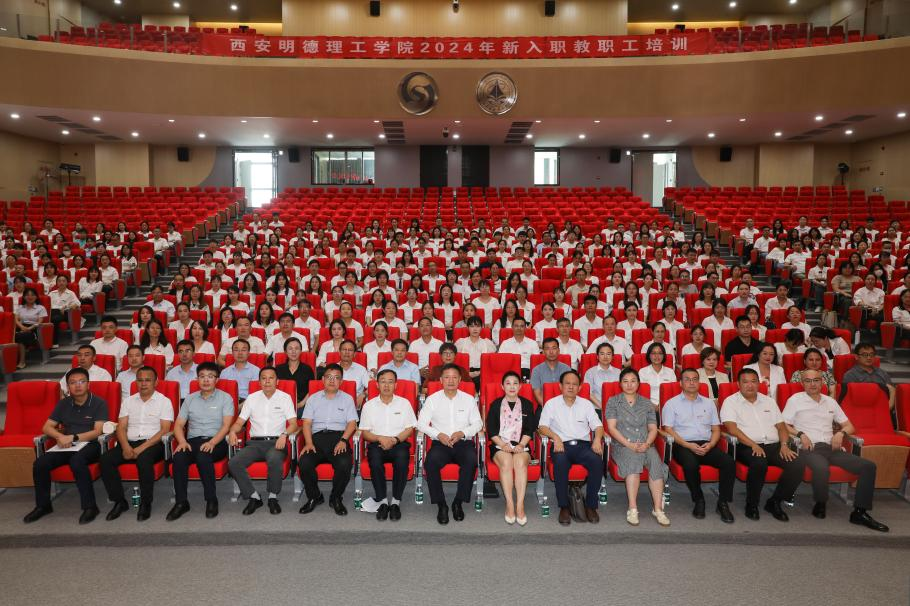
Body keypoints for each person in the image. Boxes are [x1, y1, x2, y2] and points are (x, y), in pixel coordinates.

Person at [782, 369, 888, 532]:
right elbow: (782, 425)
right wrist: (800, 434)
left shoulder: (830, 402)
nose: (812, 384)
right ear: (802, 383)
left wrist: (841, 433)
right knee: (821, 467)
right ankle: (821, 503)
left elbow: (849, 426)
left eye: (816, 380)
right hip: (809, 448)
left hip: (831, 448)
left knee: (868, 466)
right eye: (808, 381)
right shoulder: (795, 400)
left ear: (822, 382)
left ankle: (860, 512)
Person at [24, 368, 108, 524]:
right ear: (68, 387)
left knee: (77, 461)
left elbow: (98, 431)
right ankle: (43, 506)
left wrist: (74, 437)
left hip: (91, 444)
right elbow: (47, 427)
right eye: (73, 383)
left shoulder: (99, 403)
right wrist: (60, 437)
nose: (77, 385)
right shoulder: (64, 404)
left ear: (88, 384)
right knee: (40, 463)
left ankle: (90, 507)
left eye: (81, 381)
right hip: (67, 444)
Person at [720, 368, 806, 522]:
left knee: (798, 463)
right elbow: (732, 429)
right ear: (738, 384)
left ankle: (775, 501)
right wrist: (753, 444)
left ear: (759, 383)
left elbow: (781, 427)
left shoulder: (769, 401)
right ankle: (752, 504)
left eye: (754, 381)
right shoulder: (730, 402)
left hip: (774, 445)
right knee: (759, 463)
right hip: (745, 446)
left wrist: (784, 445)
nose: (750, 385)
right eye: (745, 382)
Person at [101, 366, 174, 522]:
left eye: (148, 380)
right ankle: (120, 501)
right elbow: (121, 427)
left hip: (153, 444)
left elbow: (164, 430)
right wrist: (125, 446)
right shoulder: (128, 401)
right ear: (136, 382)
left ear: (156, 382)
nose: (143, 384)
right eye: (140, 380)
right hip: (129, 441)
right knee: (106, 459)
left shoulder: (164, 401)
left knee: (144, 459)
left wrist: (141, 448)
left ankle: (146, 503)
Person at [661, 369, 735, 523]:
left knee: (729, 462)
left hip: (707, 443)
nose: (691, 382)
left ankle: (723, 502)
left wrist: (711, 444)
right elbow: (668, 429)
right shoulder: (672, 404)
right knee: (691, 465)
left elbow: (716, 429)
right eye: (687, 379)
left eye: (695, 379)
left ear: (699, 382)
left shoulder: (709, 403)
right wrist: (688, 445)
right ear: (681, 383)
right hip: (682, 444)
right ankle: (699, 499)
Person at [166, 362, 234, 521]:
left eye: (210, 376)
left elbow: (226, 426)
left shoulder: (225, 398)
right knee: (179, 457)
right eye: (202, 376)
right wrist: (182, 442)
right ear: (197, 379)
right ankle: (181, 502)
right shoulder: (189, 399)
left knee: (203, 457)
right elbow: (179, 425)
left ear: (217, 380)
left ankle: (211, 499)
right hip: (192, 441)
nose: (206, 380)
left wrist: (212, 443)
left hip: (216, 441)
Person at [603, 368, 670, 527]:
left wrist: (647, 443)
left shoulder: (646, 403)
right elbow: (611, 428)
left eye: (633, 381)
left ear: (639, 383)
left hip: (645, 443)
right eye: (625, 381)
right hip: (623, 445)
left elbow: (653, 428)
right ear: (620, 384)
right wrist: (629, 444)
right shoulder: (613, 401)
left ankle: (658, 509)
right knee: (632, 461)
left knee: (655, 462)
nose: (629, 385)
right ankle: (633, 508)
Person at [416, 364, 482, 525]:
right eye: (447, 377)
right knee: (430, 463)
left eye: (454, 377)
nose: (450, 381)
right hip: (441, 443)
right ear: (441, 380)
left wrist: (462, 433)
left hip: (463, 443)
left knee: (471, 460)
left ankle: (458, 502)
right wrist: (438, 434)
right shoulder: (432, 399)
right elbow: (421, 424)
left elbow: (478, 423)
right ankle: (441, 504)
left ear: (459, 380)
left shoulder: (468, 399)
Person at [538, 369, 605, 526]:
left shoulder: (586, 404)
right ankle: (564, 507)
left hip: (583, 446)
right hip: (562, 446)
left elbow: (598, 426)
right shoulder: (551, 404)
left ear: (580, 387)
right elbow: (542, 427)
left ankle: (591, 505)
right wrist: (555, 437)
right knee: (561, 463)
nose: (571, 387)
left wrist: (597, 440)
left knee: (597, 461)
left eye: (575, 384)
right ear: (560, 386)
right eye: (567, 383)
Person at [227, 367, 297, 515]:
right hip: (254, 444)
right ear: (259, 382)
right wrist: (232, 431)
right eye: (263, 378)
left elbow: (293, 424)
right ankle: (254, 496)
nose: (267, 381)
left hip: (276, 442)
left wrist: (284, 435)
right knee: (234, 462)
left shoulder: (285, 398)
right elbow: (239, 422)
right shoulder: (252, 398)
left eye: (271, 378)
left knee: (274, 458)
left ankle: (272, 497)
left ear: (277, 381)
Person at [297, 363, 358, 515]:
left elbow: (352, 423)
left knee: (344, 463)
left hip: (338, 438)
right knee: (304, 462)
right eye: (329, 377)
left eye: (336, 378)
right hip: (316, 439)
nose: (332, 380)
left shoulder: (347, 399)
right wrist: (308, 442)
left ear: (341, 381)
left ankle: (335, 497)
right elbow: (307, 423)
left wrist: (343, 441)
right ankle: (315, 496)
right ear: (322, 380)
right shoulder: (313, 399)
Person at [358, 369, 417, 521]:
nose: (386, 385)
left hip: (398, 442)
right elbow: (365, 433)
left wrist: (395, 440)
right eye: (383, 381)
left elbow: (409, 429)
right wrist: (380, 438)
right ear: (377, 385)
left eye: (390, 382)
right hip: (377, 442)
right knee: (375, 462)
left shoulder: (404, 403)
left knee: (402, 461)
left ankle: (396, 502)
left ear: (396, 385)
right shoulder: (369, 405)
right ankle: (383, 501)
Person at [486, 371, 536, 526]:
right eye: (508, 383)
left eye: (515, 383)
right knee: (507, 462)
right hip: (500, 444)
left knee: (519, 463)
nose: (512, 386)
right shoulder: (496, 405)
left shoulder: (527, 404)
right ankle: (509, 504)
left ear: (520, 386)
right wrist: (503, 445)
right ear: (502, 386)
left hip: (521, 444)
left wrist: (521, 445)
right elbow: (491, 430)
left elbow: (530, 430)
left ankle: (520, 505)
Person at [839, 342, 895, 408]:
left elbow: (891, 392)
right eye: (865, 355)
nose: (869, 357)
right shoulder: (850, 375)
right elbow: (848, 400)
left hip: (882, 407)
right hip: (860, 408)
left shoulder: (882, 373)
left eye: (872, 354)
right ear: (856, 357)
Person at [275, 337, 314, 412]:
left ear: (301, 351)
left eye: (296, 348)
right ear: (285, 351)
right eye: (290, 349)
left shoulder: (307, 369)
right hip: (281, 404)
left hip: (301, 405)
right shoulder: (278, 369)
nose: (293, 351)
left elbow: (311, 390)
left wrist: (301, 404)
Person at [530, 338, 572, 405]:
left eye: (554, 348)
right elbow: (537, 394)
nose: (551, 352)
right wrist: (548, 408)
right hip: (544, 405)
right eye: (547, 349)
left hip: (564, 405)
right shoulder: (536, 370)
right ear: (543, 352)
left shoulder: (566, 369)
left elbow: (570, 391)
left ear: (558, 351)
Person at [14, 287, 47, 369]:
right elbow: (16, 319)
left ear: (36, 297)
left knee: (20, 336)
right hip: (21, 327)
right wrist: (22, 327)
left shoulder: (40, 308)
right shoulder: (20, 307)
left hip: (34, 329)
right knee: (16, 335)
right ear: (24, 297)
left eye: (32, 295)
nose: (30, 297)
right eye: (27, 295)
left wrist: (29, 329)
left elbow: (40, 322)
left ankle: (22, 362)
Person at [638, 343, 677, 407]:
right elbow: (641, 394)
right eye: (653, 353)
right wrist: (653, 406)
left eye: (660, 353)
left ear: (664, 355)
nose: (657, 356)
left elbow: (674, 393)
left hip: (667, 406)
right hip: (647, 406)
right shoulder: (642, 372)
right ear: (649, 355)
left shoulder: (670, 372)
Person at [584, 342, 621, 409]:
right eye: (602, 354)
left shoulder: (619, 372)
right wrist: (602, 407)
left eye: (608, 354)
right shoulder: (590, 372)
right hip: (597, 408)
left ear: (612, 357)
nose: (605, 357)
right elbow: (589, 393)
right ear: (597, 356)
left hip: (616, 408)